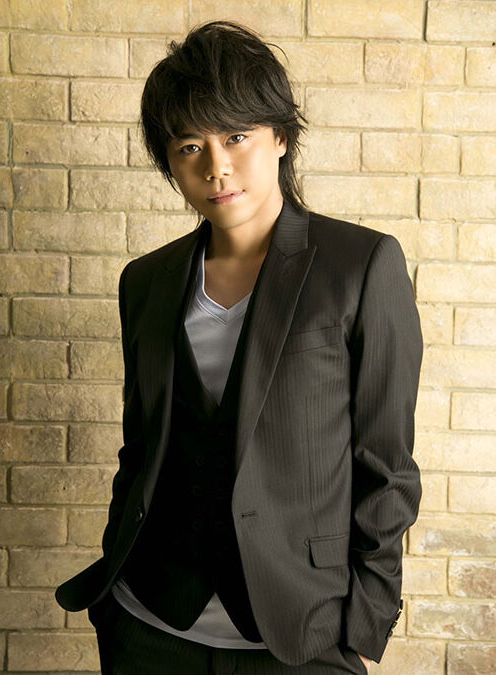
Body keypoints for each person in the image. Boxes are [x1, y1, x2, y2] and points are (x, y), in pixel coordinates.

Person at [55, 20, 423, 675]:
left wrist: (365, 623)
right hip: (149, 625)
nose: (216, 166)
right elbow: (142, 447)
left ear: (280, 136)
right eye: (189, 146)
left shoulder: (361, 266)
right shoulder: (146, 281)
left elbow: (386, 466)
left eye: (235, 136)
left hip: (298, 634)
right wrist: (115, 581)